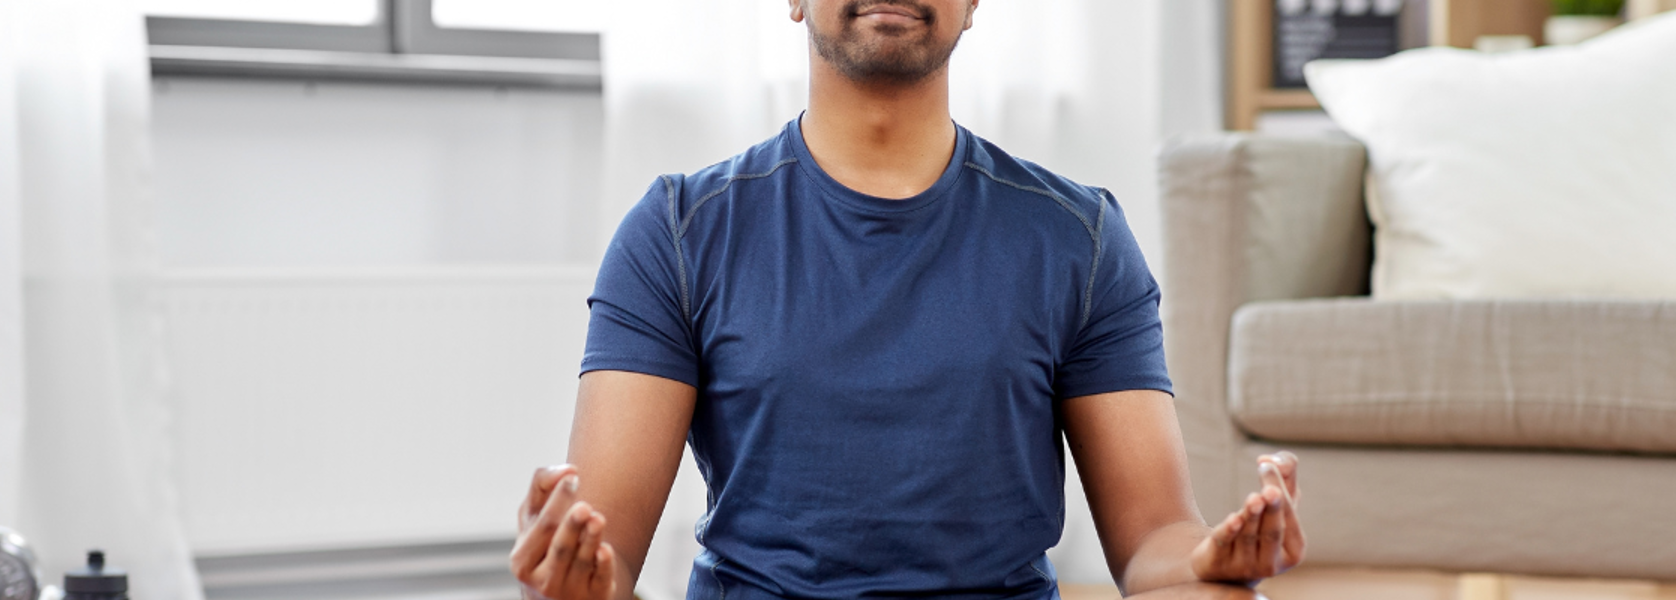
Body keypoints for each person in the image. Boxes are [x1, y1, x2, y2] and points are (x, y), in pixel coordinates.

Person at [510, 1, 1304, 598]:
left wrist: (1207, 563)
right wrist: (576, 579)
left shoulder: (1079, 238)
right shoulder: (678, 231)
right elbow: (606, 555)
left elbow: (1154, 540)